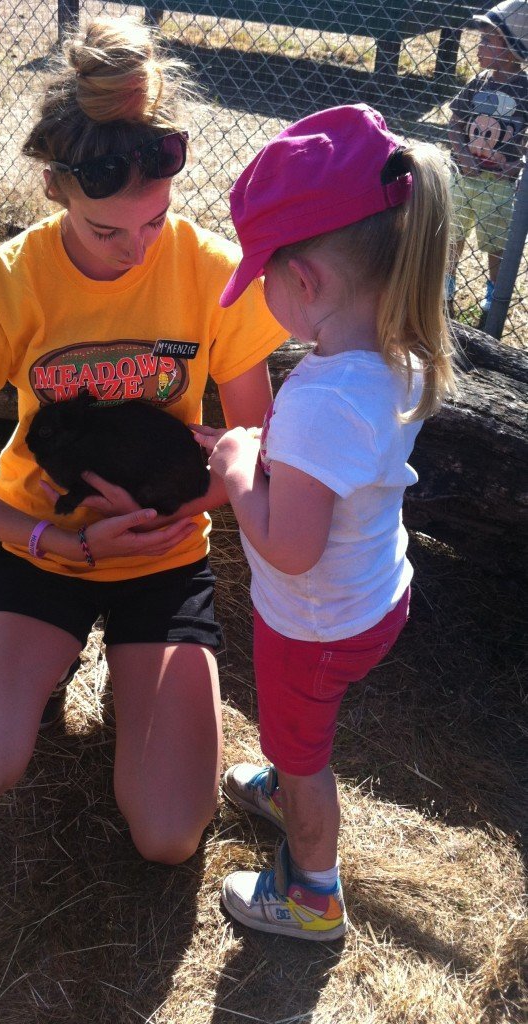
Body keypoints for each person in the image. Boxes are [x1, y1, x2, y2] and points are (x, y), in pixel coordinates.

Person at [0, 16, 288, 865]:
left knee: (168, 836)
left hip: (164, 552)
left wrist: (165, 514)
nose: (136, 251)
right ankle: (46, 669)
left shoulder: (211, 272)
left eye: (154, 222)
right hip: (39, 549)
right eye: (105, 230)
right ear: (57, 187)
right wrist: (57, 536)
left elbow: (252, 446)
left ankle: (133, 672)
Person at [192, 104, 456, 939]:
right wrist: (270, 456)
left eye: (263, 273)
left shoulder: (318, 399)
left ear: (304, 283)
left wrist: (239, 478)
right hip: (376, 596)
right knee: (298, 729)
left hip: (313, 621)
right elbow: (334, 473)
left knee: (303, 748)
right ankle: (286, 772)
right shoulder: (395, 352)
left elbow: (291, 547)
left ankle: (312, 890)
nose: (257, 290)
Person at [448, 0, 528, 313]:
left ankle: (494, 296)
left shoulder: (524, 90)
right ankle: (446, 287)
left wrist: (517, 163)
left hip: (499, 183)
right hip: (464, 176)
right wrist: (461, 153)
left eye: (487, 41)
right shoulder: (477, 83)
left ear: (511, 48)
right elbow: (455, 120)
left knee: (497, 243)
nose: (478, 48)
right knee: (452, 233)